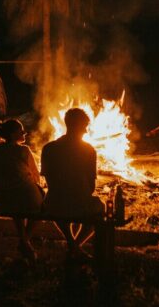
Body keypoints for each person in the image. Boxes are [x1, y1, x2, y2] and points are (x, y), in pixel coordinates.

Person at [41, 108, 104, 260]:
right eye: (86, 126)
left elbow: (48, 180)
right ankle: (75, 246)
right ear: (82, 126)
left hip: (54, 202)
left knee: (55, 205)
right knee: (100, 209)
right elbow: (91, 187)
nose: (86, 130)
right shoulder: (89, 150)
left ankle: (71, 244)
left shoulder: (48, 148)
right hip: (79, 202)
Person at [0, 119, 43, 260]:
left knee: (16, 201)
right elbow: (36, 176)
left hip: (3, 200)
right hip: (27, 198)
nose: (24, 133)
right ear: (14, 134)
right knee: (40, 205)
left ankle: (23, 240)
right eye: (21, 130)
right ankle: (24, 239)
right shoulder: (23, 150)